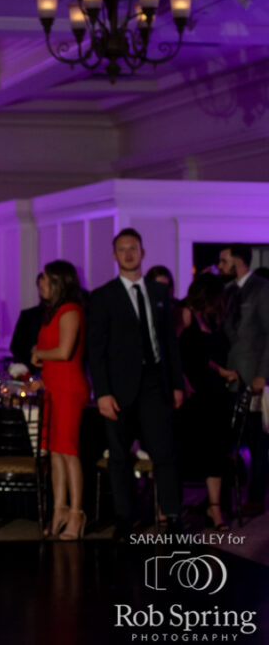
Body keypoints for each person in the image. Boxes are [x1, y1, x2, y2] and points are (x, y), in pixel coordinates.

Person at [88, 228, 184, 541]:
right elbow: (96, 350)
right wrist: (101, 392)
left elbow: (170, 342)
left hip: (156, 381)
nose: (129, 253)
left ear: (142, 252)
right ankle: (125, 518)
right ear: (115, 256)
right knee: (119, 456)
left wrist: (177, 383)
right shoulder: (104, 296)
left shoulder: (159, 293)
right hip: (118, 387)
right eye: (122, 249)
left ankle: (171, 515)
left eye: (134, 248)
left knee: (164, 451)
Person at [30, 260, 89, 540]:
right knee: (55, 454)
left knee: (69, 452)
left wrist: (39, 353)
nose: (40, 283)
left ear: (59, 282)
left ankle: (77, 512)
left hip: (69, 390)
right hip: (53, 388)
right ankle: (59, 509)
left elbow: (65, 352)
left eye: (45, 279)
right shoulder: (52, 313)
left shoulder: (70, 311)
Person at [177, 273, 236, 531]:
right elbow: (184, 355)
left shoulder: (212, 321)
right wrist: (220, 371)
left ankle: (215, 509)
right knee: (186, 452)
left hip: (215, 396)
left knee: (216, 452)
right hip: (195, 395)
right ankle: (171, 508)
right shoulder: (185, 314)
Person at [219, 243, 269, 516]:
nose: (219, 265)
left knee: (257, 441)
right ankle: (226, 497)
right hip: (229, 377)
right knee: (228, 441)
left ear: (238, 261)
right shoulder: (226, 292)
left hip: (253, 378)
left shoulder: (261, 288)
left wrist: (262, 373)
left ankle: (256, 496)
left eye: (223, 260)